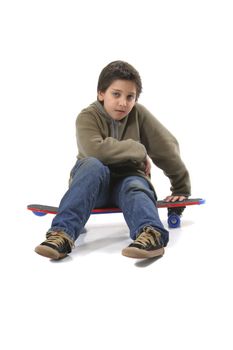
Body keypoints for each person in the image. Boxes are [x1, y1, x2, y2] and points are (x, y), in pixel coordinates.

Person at [35, 60, 191, 260]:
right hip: (92, 186)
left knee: (136, 183)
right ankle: (61, 234)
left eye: (130, 97)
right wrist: (138, 149)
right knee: (92, 164)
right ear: (101, 93)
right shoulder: (87, 117)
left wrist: (180, 189)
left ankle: (152, 235)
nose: (123, 103)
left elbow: (165, 146)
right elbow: (96, 151)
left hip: (128, 181)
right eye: (116, 94)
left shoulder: (139, 115)